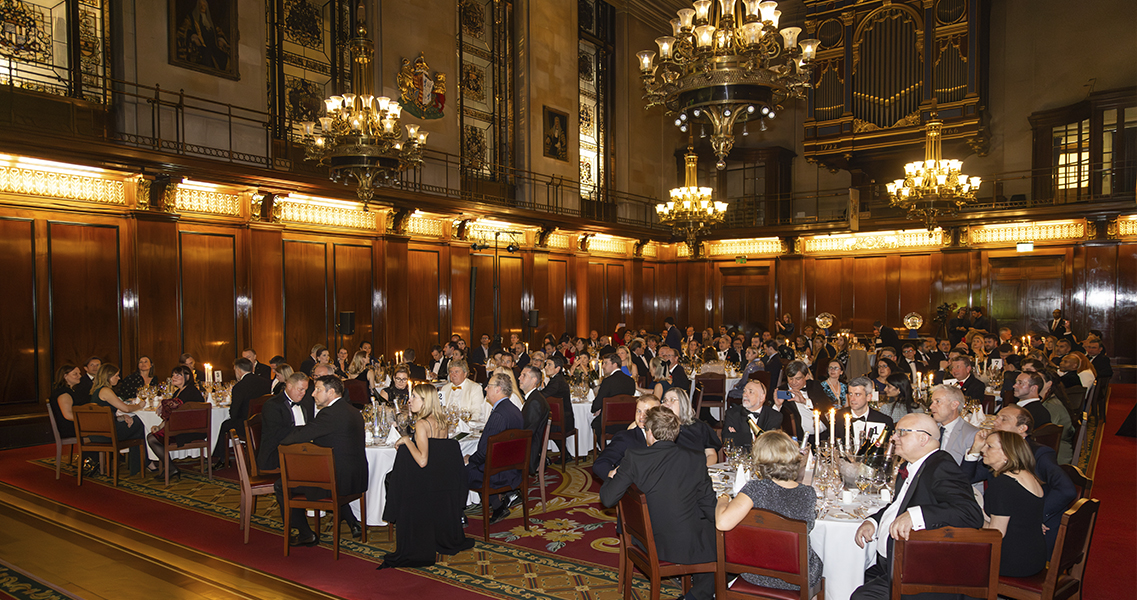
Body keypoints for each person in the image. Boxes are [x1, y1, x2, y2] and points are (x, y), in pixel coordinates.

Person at [851, 414, 983, 600]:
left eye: (901, 433)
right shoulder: (912, 465)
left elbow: (970, 513)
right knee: (850, 575)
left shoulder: (941, 466)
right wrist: (874, 520)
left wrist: (915, 515)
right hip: (892, 565)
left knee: (862, 596)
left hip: (920, 573)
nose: (893, 438)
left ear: (923, 438)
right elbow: (898, 505)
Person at [600, 407, 716, 600]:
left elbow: (607, 498)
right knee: (724, 542)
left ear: (650, 432)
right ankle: (697, 594)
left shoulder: (635, 458)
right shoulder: (695, 458)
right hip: (682, 544)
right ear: (675, 432)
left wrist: (612, 477)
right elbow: (709, 506)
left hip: (644, 540)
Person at [379, 384, 475, 568]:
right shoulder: (442, 421)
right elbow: (440, 455)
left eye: (414, 397)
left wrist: (407, 440)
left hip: (424, 482)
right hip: (441, 481)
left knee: (394, 478)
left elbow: (423, 460)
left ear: (425, 402)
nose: (410, 400)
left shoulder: (422, 423)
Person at [716, 431, 822, 593]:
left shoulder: (756, 489)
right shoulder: (808, 493)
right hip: (799, 577)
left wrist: (723, 499)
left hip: (756, 573)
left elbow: (722, 523)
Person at [960, 404, 1075, 552]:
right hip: (1006, 521)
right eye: (996, 417)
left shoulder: (1040, 454)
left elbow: (1066, 489)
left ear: (1022, 429)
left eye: (1004, 419)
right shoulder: (996, 455)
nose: (995, 422)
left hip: (1038, 531)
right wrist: (975, 449)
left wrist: (1036, 517)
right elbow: (965, 480)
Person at [275, 375, 367, 546]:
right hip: (356, 477)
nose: (312, 394)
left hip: (339, 480)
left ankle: (304, 533)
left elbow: (303, 434)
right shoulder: (352, 411)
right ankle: (351, 521)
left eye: (318, 389)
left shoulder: (330, 414)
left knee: (282, 484)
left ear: (331, 392)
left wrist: (280, 438)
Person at [979, 431, 1047, 577]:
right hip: (1035, 557)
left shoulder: (1002, 485)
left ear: (1006, 454)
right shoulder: (1029, 476)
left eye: (989, 446)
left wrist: (974, 516)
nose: (982, 450)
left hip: (1013, 563)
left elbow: (996, 534)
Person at [465, 373, 525, 524]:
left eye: (489, 386)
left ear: (498, 389)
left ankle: (457, 514)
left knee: (458, 470)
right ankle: (498, 507)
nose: (485, 388)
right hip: (512, 467)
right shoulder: (513, 410)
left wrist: (469, 459)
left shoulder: (499, 414)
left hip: (499, 473)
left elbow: (485, 452)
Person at [86, 364, 146, 476]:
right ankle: (140, 465)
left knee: (135, 425)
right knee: (140, 423)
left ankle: (138, 466)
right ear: (108, 376)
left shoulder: (97, 390)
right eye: (116, 375)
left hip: (98, 432)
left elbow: (105, 415)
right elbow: (126, 408)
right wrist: (140, 405)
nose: (119, 378)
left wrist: (122, 417)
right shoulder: (105, 390)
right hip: (107, 434)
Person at [147, 365, 207, 480]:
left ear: (187, 376)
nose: (174, 377)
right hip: (182, 429)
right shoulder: (178, 392)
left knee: (152, 439)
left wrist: (163, 402)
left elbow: (174, 405)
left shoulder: (191, 390)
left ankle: (171, 469)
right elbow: (172, 415)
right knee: (152, 436)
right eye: (173, 374)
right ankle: (171, 468)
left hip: (193, 430)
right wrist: (159, 427)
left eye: (178, 374)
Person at [212, 357, 271, 468]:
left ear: (238, 370)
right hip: (263, 422)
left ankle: (222, 458)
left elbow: (234, 412)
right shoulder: (265, 382)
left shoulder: (239, 386)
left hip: (245, 424)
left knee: (225, 425)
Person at [593, 395, 661, 481]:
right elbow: (600, 463)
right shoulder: (626, 438)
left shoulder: (667, 435)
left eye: (647, 412)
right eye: (638, 411)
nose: (641, 416)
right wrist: (615, 478)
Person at [257, 372, 314, 473]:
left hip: (300, 448)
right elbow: (277, 434)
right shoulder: (272, 405)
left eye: (305, 390)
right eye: (300, 389)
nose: (303, 393)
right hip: (276, 452)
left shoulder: (305, 402)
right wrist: (305, 431)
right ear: (289, 386)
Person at [661, 388, 721, 466]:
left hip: (699, 470)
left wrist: (701, 470)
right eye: (665, 400)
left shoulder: (699, 427)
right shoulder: (660, 429)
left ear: (683, 403)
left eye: (672, 400)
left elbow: (711, 455)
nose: (667, 404)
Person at [776, 360, 832, 441]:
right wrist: (778, 405)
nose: (794, 382)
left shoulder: (814, 385)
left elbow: (827, 406)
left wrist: (805, 401)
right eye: (790, 379)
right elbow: (774, 417)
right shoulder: (782, 391)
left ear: (806, 376)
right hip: (802, 439)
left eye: (798, 378)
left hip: (825, 435)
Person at [721, 380, 784, 451]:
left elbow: (771, 444)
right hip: (740, 458)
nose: (745, 394)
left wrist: (740, 437)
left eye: (751, 392)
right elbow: (727, 440)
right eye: (744, 391)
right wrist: (755, 438)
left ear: (762, 398)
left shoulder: (774, 416)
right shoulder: (732, 413)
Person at [926, 384, 980, 465]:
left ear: (954, 405)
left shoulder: (971, 435)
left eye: (938, 401)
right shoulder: (929, 429)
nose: (931, 406)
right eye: (932, 402)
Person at [835, 377, 895, 447]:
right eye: (850, 394)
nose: (852, 399)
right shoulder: (836, 417)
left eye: (857, 394)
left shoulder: (884, 421)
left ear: (868, 397)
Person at [590, 354, 636, 437]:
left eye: (606, 363)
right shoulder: (631, 381)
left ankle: (606, 449)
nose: (603, 366)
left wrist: (599, 408)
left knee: (595, 424)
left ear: (614, 364)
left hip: (610, 422)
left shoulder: (608, 381)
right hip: (628, 421)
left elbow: (596, 406)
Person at [518, 365, 550, 474]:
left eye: (524, 375)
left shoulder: (535, 402)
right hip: (529, 447)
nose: (519, 378)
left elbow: (528, 433)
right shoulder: (534, 398)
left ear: (534, 380)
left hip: (529, 453)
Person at [541, 355, 574, 446]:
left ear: (557, 368)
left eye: (549, 365)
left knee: (537, 427)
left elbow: (543, 395)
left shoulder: (556, 381)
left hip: (562, 421)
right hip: (561, 419)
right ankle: (565, 455)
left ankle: (540, 457)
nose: (545, 367)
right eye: (546, 364)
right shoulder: (557, 379)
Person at [48, 364, 84, 439]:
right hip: (70, 429)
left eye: (79, 373)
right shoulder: (64, 393)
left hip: (74, 426)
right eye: (75, 374)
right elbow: (68, 415)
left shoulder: (69, 391)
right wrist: (88, 420)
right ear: (65, 376)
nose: (79, 376)